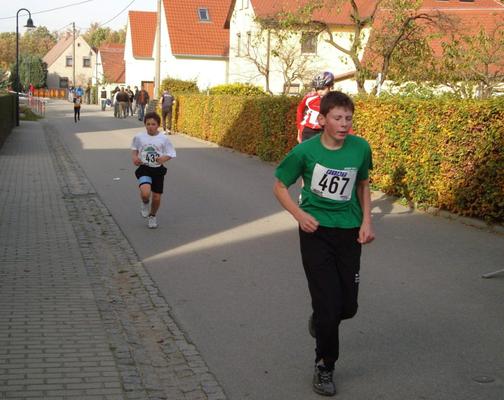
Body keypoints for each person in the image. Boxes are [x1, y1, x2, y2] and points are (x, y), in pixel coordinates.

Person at [273, 91, 375, 397]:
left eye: (348, 118)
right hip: (315, 231)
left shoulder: (360, 148)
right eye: (337, 118)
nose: (344, 124)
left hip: (349, 232)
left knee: (348, 307)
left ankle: (320, 319)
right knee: (330, 307)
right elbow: (279, 186)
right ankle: (324, 366)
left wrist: (367, 221)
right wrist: (299, 215)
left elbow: (363, 184)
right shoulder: (305, 152)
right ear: (322, 120)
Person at [131, 111, 176, 229]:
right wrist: (135, 157)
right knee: (145, 193)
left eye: (153, 124)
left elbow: (171, 153)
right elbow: (134, 149)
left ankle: (152, 216)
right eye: (148, 124)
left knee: (156, 197)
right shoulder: (139, 137)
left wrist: (163, 158)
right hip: (144, 168)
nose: (150, 127)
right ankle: (145, 203)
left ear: (158, 125)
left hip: (157, 170)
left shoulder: (164, 138)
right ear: (145, 124)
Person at [296, 71, 334, 143]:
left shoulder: (335, 99)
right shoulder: (309, 97)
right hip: (308, 130)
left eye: (323, 88)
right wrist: (299, 130)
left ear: (330, 87)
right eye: (317, 89)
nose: (320, 91)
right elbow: (299, 111)